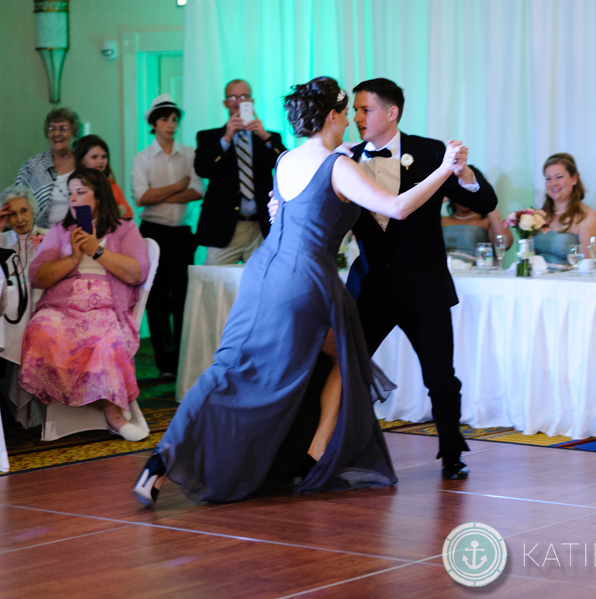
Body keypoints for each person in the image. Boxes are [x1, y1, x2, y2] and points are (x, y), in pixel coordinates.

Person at [133, 77, 467, 506]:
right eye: (347, 113)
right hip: (305, 280)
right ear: (331, 116)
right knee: (347, 359)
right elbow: (397, 207)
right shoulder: (338, 166)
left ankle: (160, 461)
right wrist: (443, 169)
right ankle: (314, 454)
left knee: (230, 367)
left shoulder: (286, 159)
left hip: (263, 274)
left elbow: (281, 212)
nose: (351, 121)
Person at [347, 78, 498, 479]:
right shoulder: (346, 158)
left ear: (391, 112)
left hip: (424, 288)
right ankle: (337, 450)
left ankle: (452, 452)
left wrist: (463, 174)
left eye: (366, 109)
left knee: (441, 379)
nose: (358, 117)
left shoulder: (432, 152)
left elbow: (484, 202)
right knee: (345, 371)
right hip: (368, 288)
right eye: (356, 110)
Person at [19, 168, 149, 441]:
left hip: (106, 309)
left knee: (107, 341)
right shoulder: (60, 230)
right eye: (70, 194)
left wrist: (96, 249)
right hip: (63, 307)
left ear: (99, 195)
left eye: (81, 192)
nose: (74, 199)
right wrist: (72, 258)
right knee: (42, 329)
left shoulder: (124, 229)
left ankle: (113, 417)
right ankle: (105, 407)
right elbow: (37, 276)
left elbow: (137, 272)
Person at [130, 94, 204, 380]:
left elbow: (198, 191)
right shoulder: (143, 158)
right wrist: (177, 186)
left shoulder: (190, 153)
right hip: (153, 234)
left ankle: (184, 359)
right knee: (158, 300)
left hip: (183, 235)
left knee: (183, 297)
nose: (171, 124)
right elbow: (142, 198)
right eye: (165, 119)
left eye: (175, 119)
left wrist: (162, 194)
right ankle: (165, 365)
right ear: (153, 123)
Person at [195, 79, 287, 265]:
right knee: (216, 283)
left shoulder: (269, 137)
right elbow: (203, 169)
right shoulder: (209, 137)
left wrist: (265, 137)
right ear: (225, 103)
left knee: (260, 283)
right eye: (232, 97)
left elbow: (285, 166)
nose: (238, 102)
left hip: (260, 225)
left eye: (243, 97)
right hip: (224, 226)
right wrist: (227, 137)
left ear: (251, 102)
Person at [0, 185, 47, 427]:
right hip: (12, 311)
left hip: (41, 307)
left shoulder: (48, 237)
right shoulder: (3, 240)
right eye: (12, 214)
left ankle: (29, 412)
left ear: (34, 211)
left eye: (24, 211)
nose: (19, 219)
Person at [14, 108, 81, 228]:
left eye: (63, 128)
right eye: (52, 129)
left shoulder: (82, 163)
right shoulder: (33, 166)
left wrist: (85, 232)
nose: (56, 134)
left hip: (79, 234)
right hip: (40, 237)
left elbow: (89, 204)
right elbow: (14, 200)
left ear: (74, 133)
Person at [535, 153, 596, 264]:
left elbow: (588, 264)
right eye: (548, 178)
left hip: (568, 279)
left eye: (559, 177)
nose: (553, 183)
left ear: (574, 178)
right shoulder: (538, 216)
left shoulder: (587, 216)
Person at [74, 135, 134, 219]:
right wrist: (115, 211)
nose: (100, 161)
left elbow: (128, 214)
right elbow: (82, 218)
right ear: (82, 160)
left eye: (104, 156)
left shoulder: (111, 185)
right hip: (86, 230)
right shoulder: (76, 186)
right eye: (94, 157)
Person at [441, 199, 512, 263]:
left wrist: (488, 201)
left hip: (474, 270)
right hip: (445, 268)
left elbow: (504, 244)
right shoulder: (442, 220)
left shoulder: (486, 221)